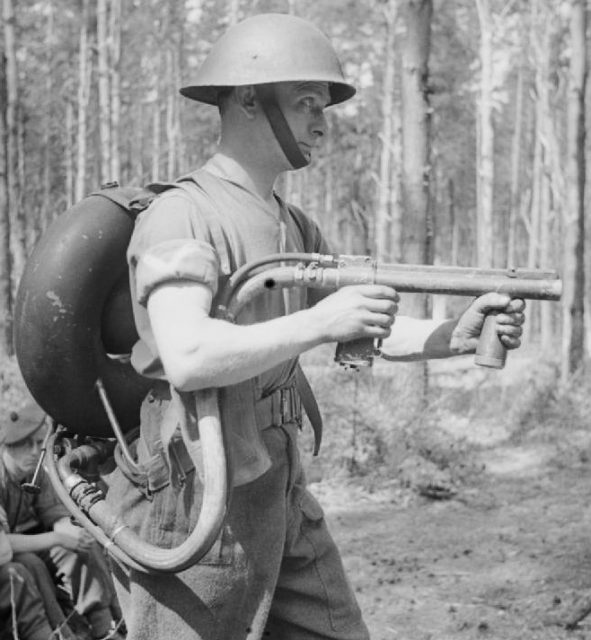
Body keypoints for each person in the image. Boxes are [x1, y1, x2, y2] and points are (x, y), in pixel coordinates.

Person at [105, 12, 525, 640]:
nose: (322, 123)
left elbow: (363, 327)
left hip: (276, 487)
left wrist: (453, 337)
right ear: (248, 100)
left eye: (323, 107)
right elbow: (189, 353)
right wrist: (319, 320)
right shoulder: (181, 215)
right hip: (195, 494)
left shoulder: (294, 226)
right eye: (306, 103)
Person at [0, 402, 124, 640]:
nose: (35, 451)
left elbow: (53, 514)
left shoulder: (32, 474)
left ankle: (104, 624)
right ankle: (60, 630)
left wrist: (73, 535)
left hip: (29, 542)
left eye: (38, 443)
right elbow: (3, 545)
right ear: (6, 447)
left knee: (78, 543)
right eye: (26, 445)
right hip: (10, 551)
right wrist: (58, 537)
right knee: (32, 563)